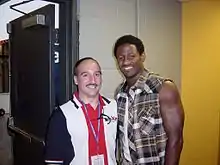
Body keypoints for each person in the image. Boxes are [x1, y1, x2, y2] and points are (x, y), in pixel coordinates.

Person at [113, 35, 184, 165]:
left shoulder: (163, 88)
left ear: (142, 56)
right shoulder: (120, 94)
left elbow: (176, 139)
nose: (126, 62)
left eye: (131, 56)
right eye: (121, 58)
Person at [44, 57, 118, 165]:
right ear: (76, 80)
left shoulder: (114, 107)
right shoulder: (62, 114)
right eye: (85, 75)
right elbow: (53, 161)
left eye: (97, 74)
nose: (93, 80)